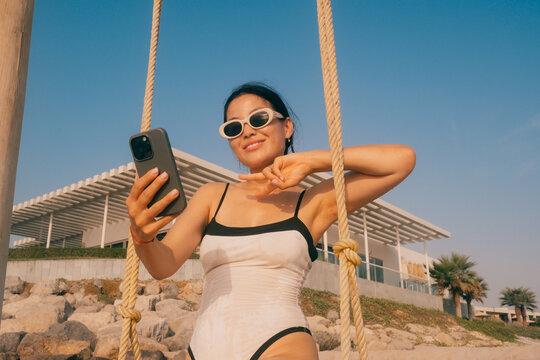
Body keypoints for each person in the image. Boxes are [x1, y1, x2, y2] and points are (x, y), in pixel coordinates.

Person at [126, 82, 416, 360]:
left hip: (279, 342)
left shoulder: (313, 201)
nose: (247, 132)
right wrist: (142, 236)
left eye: (259, 118)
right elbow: (162, 265)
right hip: (202, 347)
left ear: (286, 126)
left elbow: (401, 160)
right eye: (234, 127)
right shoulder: (211, 196)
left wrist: (314, 160)